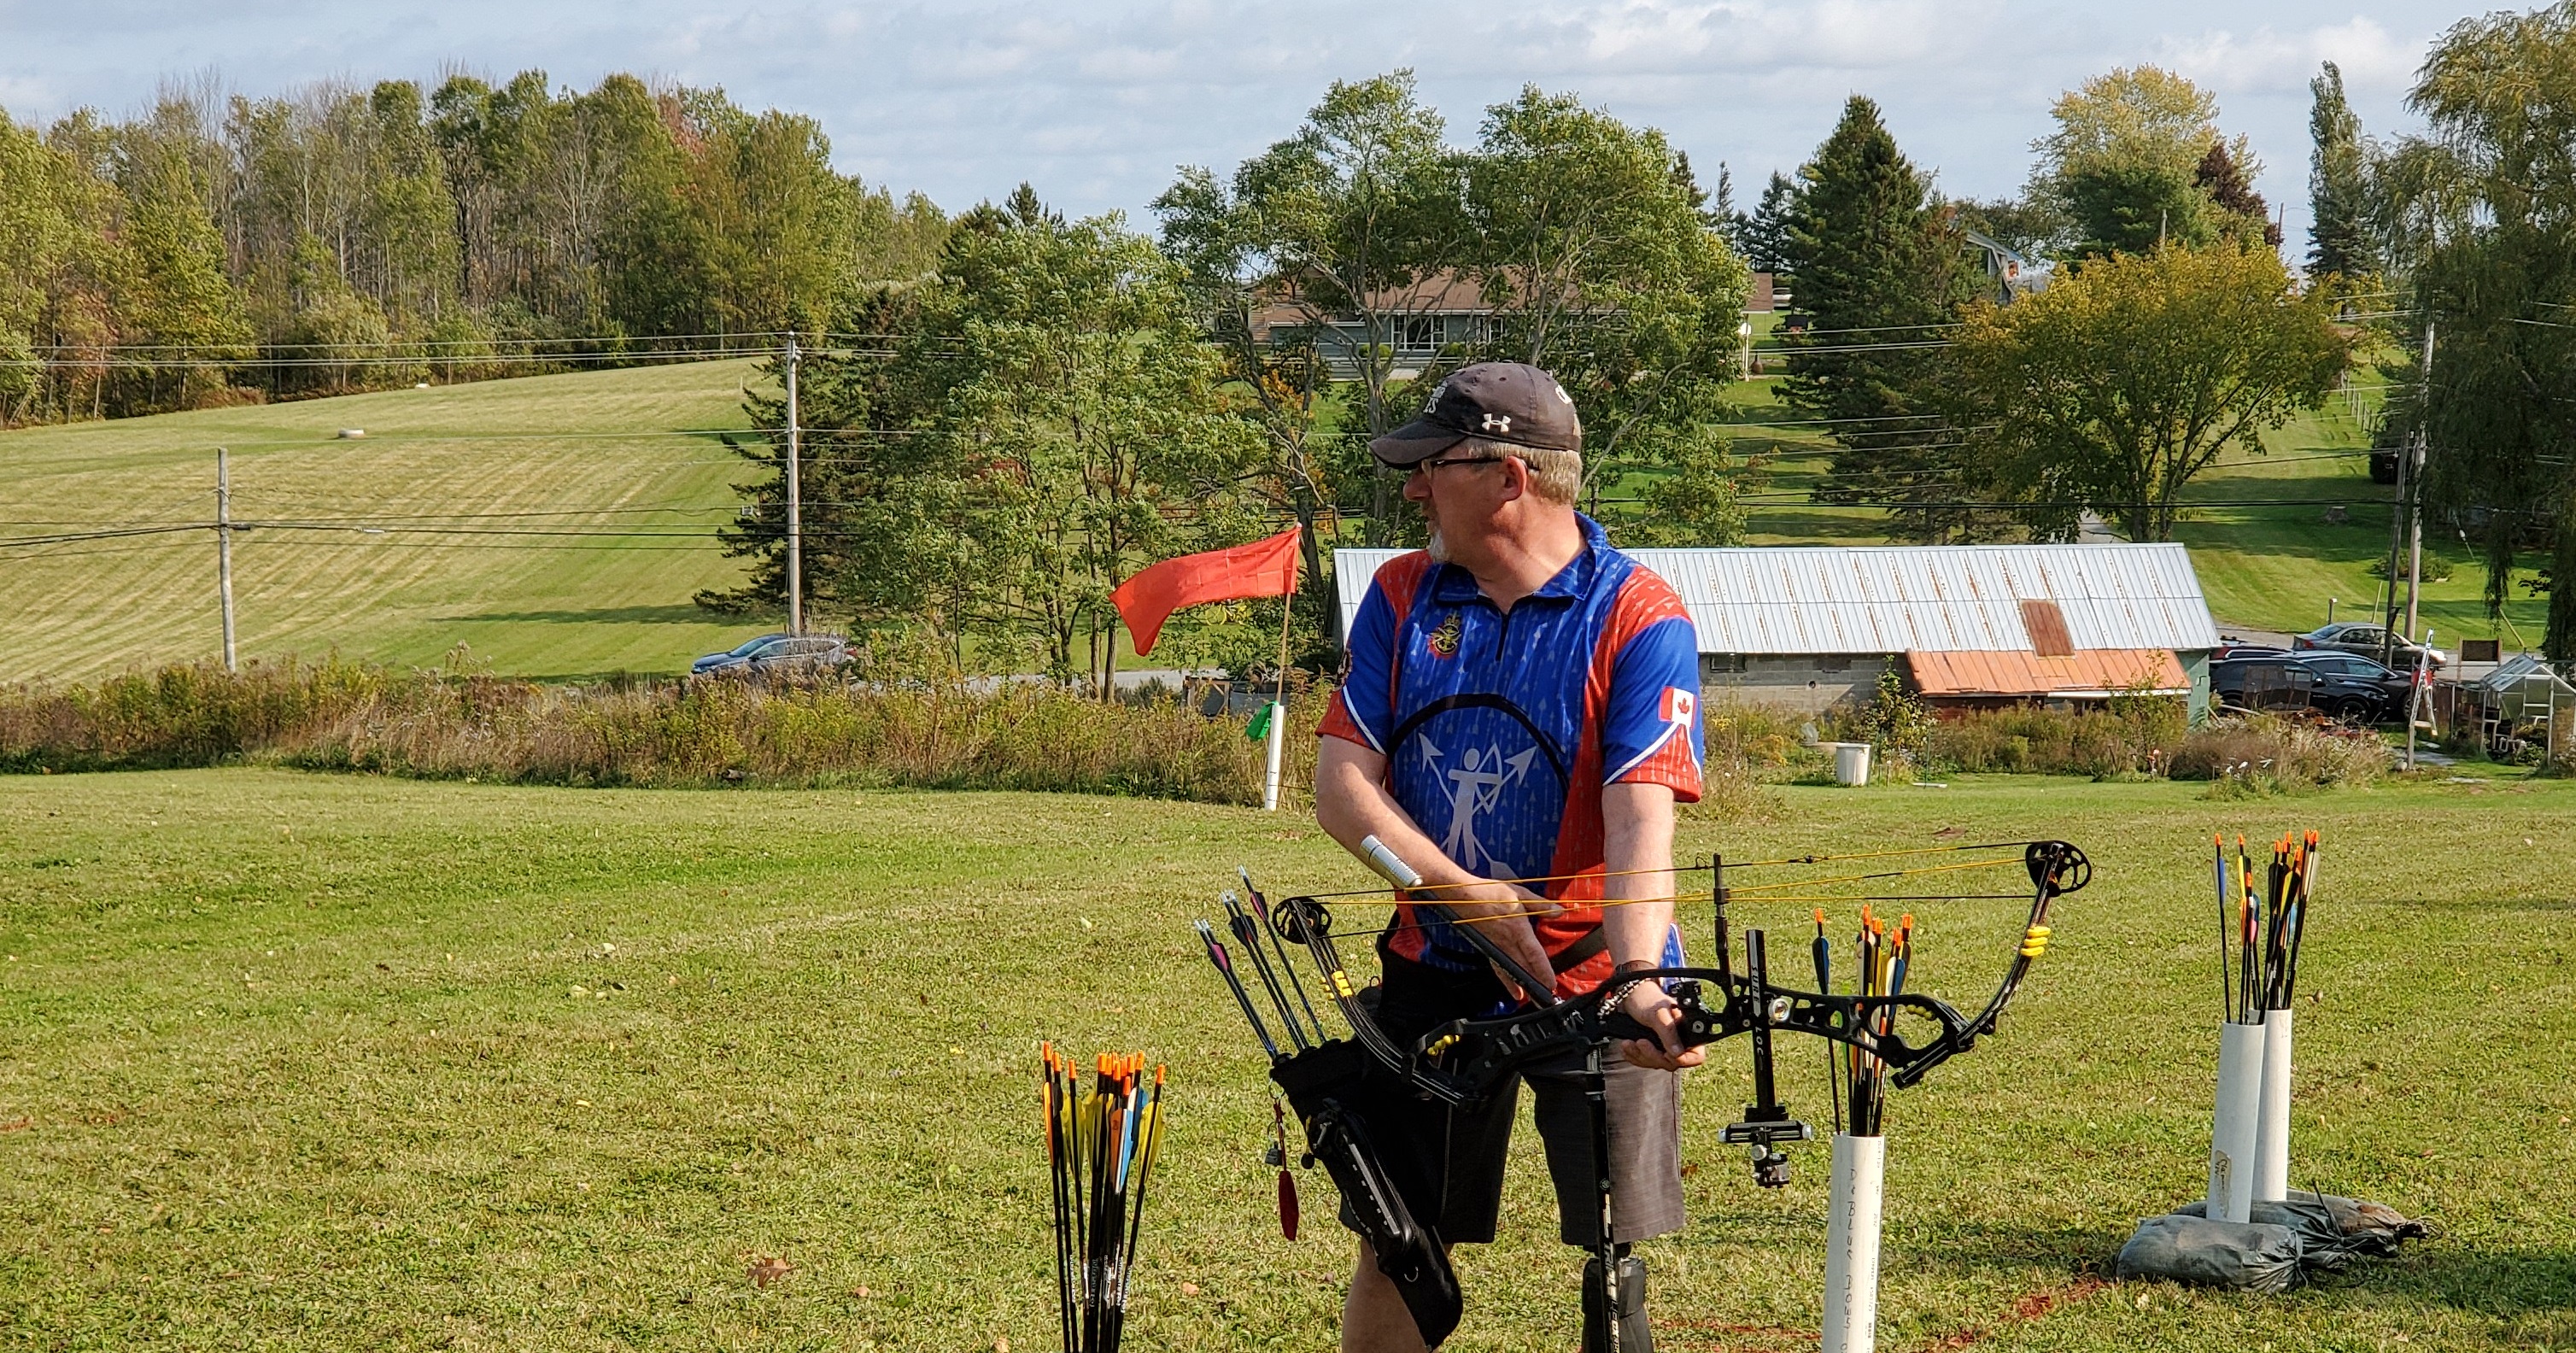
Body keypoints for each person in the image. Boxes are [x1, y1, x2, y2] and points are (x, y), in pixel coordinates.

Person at [1313, 361, 1707, 1353]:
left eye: (1430, 465)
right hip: (1428, 978)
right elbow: (1341, 791)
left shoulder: (1636, 616)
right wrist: (1458, 894)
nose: (1410, 489)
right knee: (1397, 1242)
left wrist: (1641, 983)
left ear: (1509, 478)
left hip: (1588, 982)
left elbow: (1638, 830)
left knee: (1612, 1261)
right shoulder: (1404, 593)